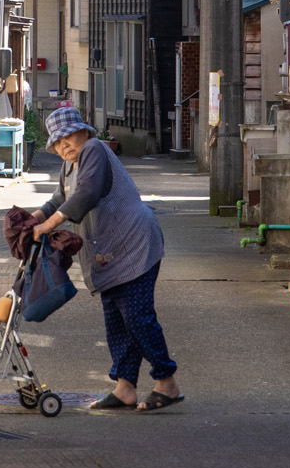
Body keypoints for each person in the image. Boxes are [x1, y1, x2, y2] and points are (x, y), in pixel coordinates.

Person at [31, 104, 183, 412]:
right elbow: (61, 199)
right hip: (108, 255)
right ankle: (125, 388)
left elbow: (85, 195)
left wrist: (47, 226)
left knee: (137, 317)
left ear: (83, 131)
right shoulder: (69, 165)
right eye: (57, 142)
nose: (64, 145)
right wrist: (31, 219)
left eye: (68, 137)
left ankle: (166, 382)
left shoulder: (95, 149)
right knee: (116, 321)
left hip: (135, 244)